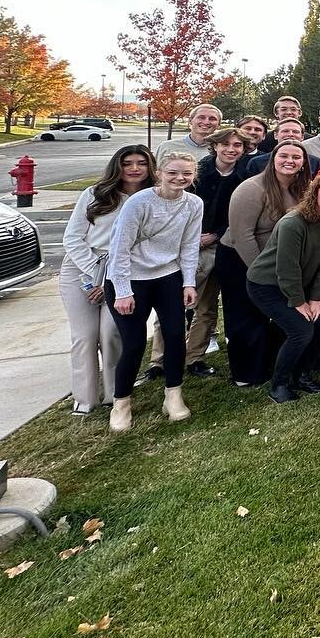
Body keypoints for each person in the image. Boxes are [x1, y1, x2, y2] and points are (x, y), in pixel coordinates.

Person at [104, 152, 204, 432]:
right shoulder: (139, 202)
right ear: (159, 173)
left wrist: (188, 282)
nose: (180, 178)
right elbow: (119, 248)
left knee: (174, 336)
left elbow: (189, 245)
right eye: (173, 172)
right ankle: (121, 402)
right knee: (134, 343)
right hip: (130, 279)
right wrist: (123, 291)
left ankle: (173, 394)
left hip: (167, 277)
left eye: (186, 173)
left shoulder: (193, 204)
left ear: (193, 175)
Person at [147, 126, 247, 379]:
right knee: (172, 302)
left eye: (237, 146)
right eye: (226, 145)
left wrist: (215, 235)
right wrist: (191, 239)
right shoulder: (197, 173)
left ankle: (195, 357)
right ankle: (159, 360)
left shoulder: (243, 177)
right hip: (184, 246)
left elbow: (241, 214)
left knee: (207, 305)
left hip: (220, 245)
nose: (231, 150)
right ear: (215, 146)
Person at [61, 145, 154, 416]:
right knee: (85, 336)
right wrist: (96, 276)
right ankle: (85, 397)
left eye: (141, 163)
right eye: (128, 163)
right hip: (82, 269)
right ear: (118, 166)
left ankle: (117, 393)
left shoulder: (152, 198)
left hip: (125, 271)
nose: (135, 168)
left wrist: (111, 279)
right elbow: (72, 239)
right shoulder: (94, 194)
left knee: (112, 332)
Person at [245, 172, 320, 403]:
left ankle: (301, 374)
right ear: (315, 193)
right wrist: (299, 302)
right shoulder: (294, 222)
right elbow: (286, 268)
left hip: (304, 285)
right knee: (301, 331)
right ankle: (279, 384)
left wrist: (316, 298)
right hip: (268, 284)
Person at [219, 142, 313, 386]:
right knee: (245, 317)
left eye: (296, 157)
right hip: (241, 260)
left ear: (304, 162)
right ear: (273, 158)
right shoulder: (251, 188)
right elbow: (243, 236)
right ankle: (246, 374)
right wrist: (260, 274)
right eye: (284, 156)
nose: (289, 161)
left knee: (270, 316)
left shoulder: (300, 188)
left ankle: (268, 362)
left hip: (276, 262)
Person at [244, 118, 320, 178]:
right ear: (275, 135)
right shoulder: (257, 162)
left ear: (302, 137)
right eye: (285, 131)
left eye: (295, 132)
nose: (290, 134)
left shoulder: (314, 162)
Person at [155, 103, 223, 159]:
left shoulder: (224, 151)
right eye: (201, 117)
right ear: (190, 121)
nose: (206, 122)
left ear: (219, 124)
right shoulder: (167, 147)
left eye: (212, 119)